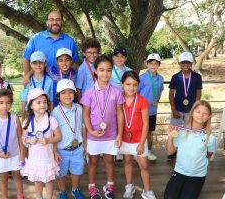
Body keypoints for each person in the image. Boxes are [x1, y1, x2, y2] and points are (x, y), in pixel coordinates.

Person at [80, 55, 124, 199]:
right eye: (102, 70)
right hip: (94, 135)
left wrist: (119, 134)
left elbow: (119, 113)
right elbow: (85, 114)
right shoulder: (89, 92)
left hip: (111, 134)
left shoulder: (116, 92)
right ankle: (92, 187)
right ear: (96, 72)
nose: (105, 73)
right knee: (93, 161)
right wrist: (91, 131)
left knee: (110, 160)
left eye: (109, 70)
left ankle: (109, 185)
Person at [164, 100, 216, 199]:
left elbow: (209, 154)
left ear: (209, 117)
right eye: (198, 112)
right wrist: (170, 137)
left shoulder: (211, 137)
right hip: (180, 171)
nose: (201, 115)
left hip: (198, 174)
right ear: (192, 113)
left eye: (205, 113)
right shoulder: (180, 132)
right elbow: (170, 152)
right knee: (169, 197)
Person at [119, 71, 156, 199]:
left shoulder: (142, 101)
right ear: (122, 84)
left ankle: (147, 191)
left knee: (144, 165)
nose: (131, 87)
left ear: (138, 85)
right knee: (127, 161)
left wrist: (141, 143)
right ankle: (129, 186)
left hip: (139, 139)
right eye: (128, 84)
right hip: (124, 138)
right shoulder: (119, 100)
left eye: (135, 84)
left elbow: (146, 124)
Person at [22, 88, 62, 199]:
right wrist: (29, 140)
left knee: (49, 180)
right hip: (34, 158)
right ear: (31, 105)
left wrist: (49, 140)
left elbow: (59, 136)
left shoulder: (51, 120)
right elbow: (23, 138)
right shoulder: (27, 121)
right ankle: (38, 197)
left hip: (48, 158)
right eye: (38, 102)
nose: (42, 105)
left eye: (44, 102)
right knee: (37, 180)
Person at [0, 89, 24, 199]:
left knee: (17, 176)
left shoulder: (15, 118)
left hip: (15, 154)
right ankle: (4, 196)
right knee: (3, 179)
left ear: (11, 104)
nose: (4, 106)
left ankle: (20, 195)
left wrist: (22, 154)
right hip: (0, 155)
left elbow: (20, 138)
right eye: (1, 103)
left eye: (8, 103)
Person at [22, 10, 80, 83]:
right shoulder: (35, 39)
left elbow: (75, 62)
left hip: (62, 87)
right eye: (51, 19)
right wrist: (27, 76)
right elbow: (26, 60)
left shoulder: (70, 41)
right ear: (47, 22)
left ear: (62, 22)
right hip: (41, 85)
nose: (55, 22)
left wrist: (70, 80)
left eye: (58, 20)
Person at [52, 79, 86, 199]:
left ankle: (75, 189)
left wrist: (85, 145)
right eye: (63, 93)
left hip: (78, 147)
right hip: (62, 149)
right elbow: (53, 135)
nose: (67, 95)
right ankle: (62, 191)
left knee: (77, 170)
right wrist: (55, 151)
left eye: (70, 92)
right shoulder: (54, 113)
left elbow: (83, 127)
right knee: (60, 172)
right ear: (58, 96)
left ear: (75, 94)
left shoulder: (79, 108)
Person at [168, 51, 202, 160]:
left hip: (191, 110)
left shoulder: (197, 77)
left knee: (190, 131)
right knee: (174, 131)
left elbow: (198, 93)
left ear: (192, 63)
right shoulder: (176, 77)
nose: (185, 65)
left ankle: (187, 151)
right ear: (179, 64)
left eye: (188, 63)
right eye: (183, 63)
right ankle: (173, 150)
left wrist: (194, 109)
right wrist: (174, 110)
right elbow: (171, 94)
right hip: (177, 109)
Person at [138, 53, 164, 161]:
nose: (153, 66)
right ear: (146, 64)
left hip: (152, 110)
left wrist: (156, 101)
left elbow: (160, 91)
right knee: (139, 130)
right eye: (151, 63)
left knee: (149, 131)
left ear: (159, 65)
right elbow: (136, 93)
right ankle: (138, 150)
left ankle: (148, 151)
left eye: (155, 63)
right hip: (141, 110)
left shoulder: (161, 78)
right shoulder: (141, 78)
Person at [20, 51, 54, 120]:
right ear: (31, 64)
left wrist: (51, 116)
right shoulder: (28, 81)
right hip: (30, 114)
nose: (38, 65)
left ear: (45, 63)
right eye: (35, 63)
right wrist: (23, 120)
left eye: (41, 62)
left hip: (44, 113)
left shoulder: (49, 81)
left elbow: (51, 101)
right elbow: (24, 101)